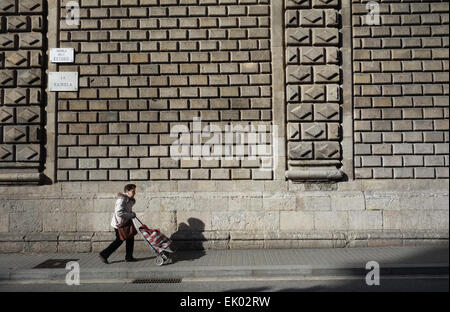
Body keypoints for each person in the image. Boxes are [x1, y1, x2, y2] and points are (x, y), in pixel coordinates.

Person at [99, 184, 138, 264]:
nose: (134, 193)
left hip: (125, 222)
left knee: (130, 238)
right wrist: (131, 215)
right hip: (119, 224)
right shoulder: (122, 199)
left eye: (135, 191)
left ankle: (129, 257)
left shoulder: (129, 199)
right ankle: (104, 254)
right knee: (119, 240)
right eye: (133, 191)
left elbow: (126, 210)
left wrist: (131, 213)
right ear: (127, 191)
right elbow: (119, 212)